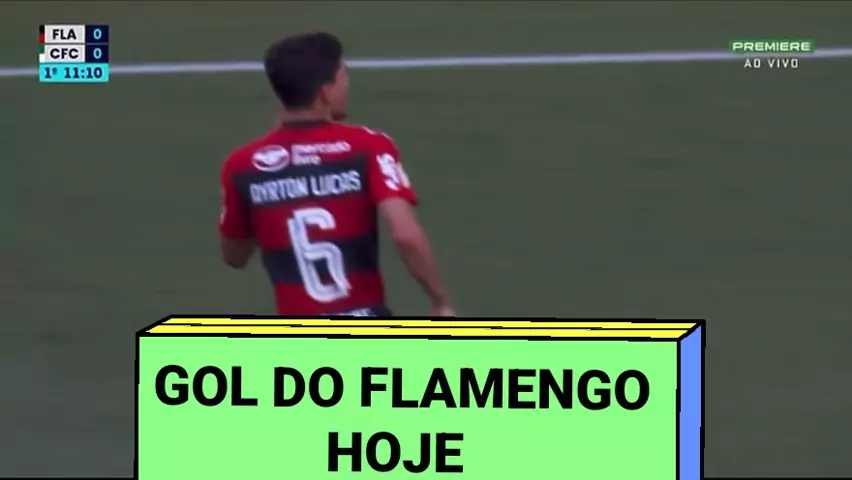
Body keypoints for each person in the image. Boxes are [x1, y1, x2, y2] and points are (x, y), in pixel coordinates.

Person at [218, 32, 455, 317]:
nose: (347, 85)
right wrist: (440, 300)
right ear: (325, 92)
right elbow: (405, 235)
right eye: (343, 77)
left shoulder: (242, 165)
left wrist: (272, 196)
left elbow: (234, 256)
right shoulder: (368, 146)